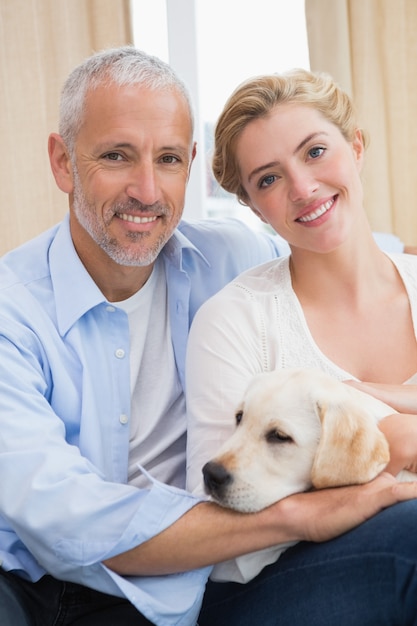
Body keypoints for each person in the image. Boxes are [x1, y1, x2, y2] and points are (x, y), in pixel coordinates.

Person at [0, 47, 414, 626]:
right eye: (117, 156)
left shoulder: (228, 255)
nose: (146, 190)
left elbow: (325, 234)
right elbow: (66, 520)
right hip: (34, 583)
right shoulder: (11, 313)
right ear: (63, 161)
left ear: (189, 164)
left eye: (167, 159)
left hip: (180, 582)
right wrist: (306, 513)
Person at [186, 68, 417, 625]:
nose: (303, 187)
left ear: (355, 146)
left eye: (315, 151)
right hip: (265, 583)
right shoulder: (235, 321)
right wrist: (395, 441)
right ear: (252, 206)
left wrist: (370, 397)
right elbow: (215, 509)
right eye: (268, 179)